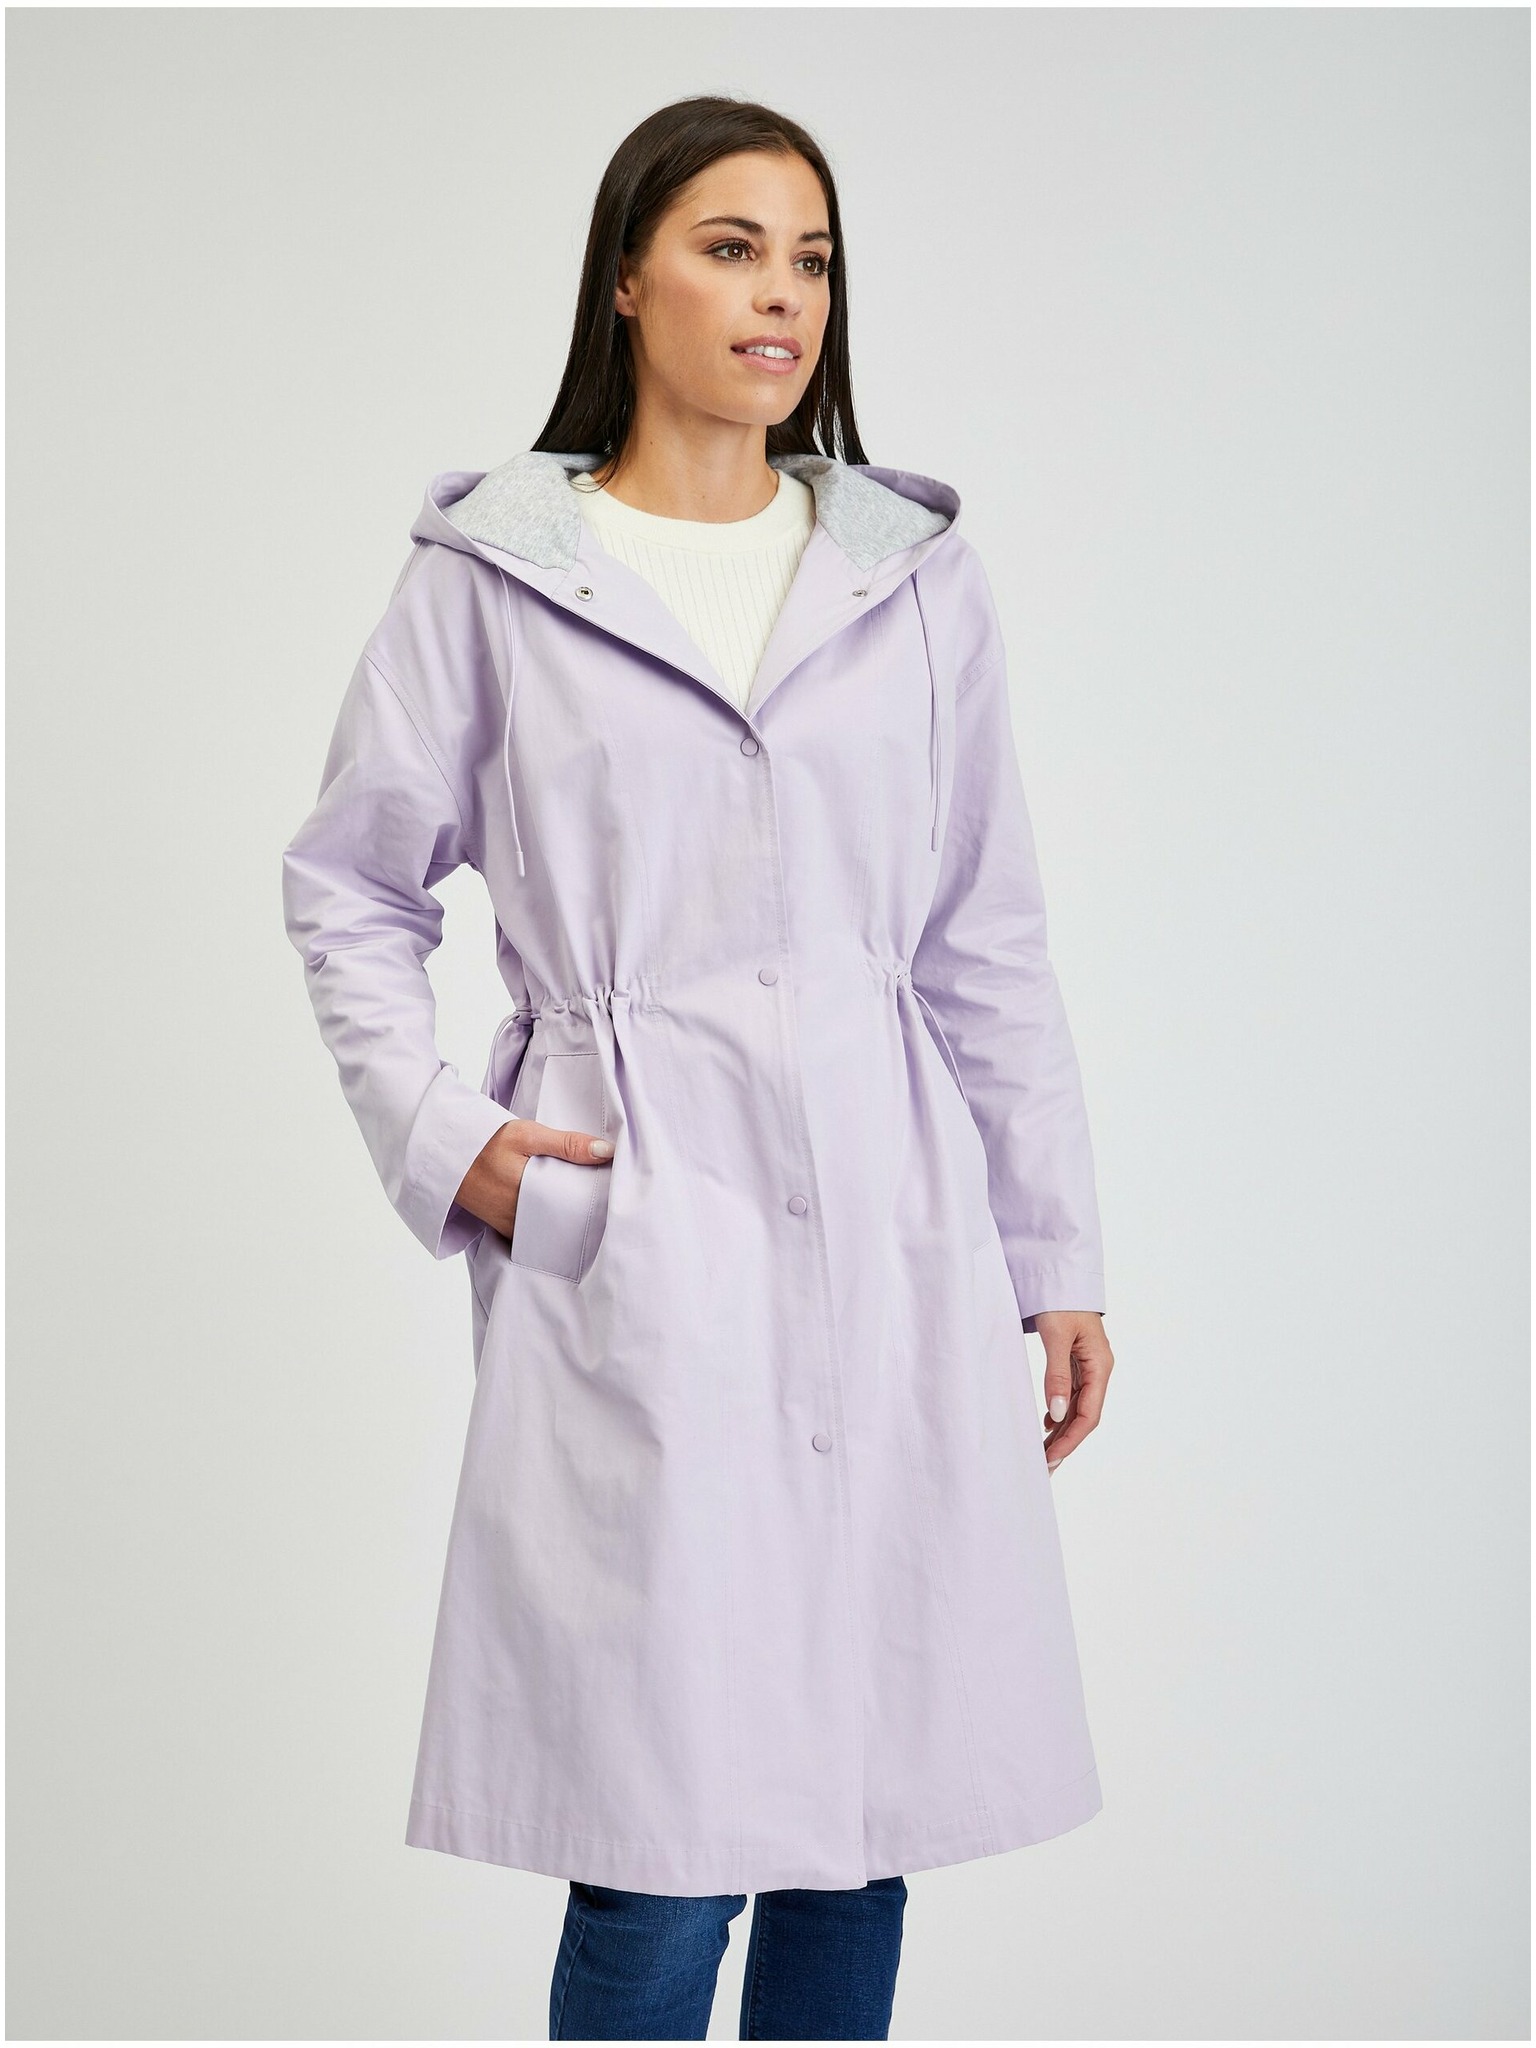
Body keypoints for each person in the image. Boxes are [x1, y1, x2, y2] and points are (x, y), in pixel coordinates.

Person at [282, 94, 1115, 2043]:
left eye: (811, 259)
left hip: (891, 1219)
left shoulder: (912, 575)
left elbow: (983, 933)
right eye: (733, 248)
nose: (782, 295)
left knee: (858, 1816)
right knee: (655, 1833)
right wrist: (455, 1140)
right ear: (627, 276)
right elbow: (349, 887)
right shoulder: (495, 574)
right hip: (637, 1219)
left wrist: (1053, 1249)